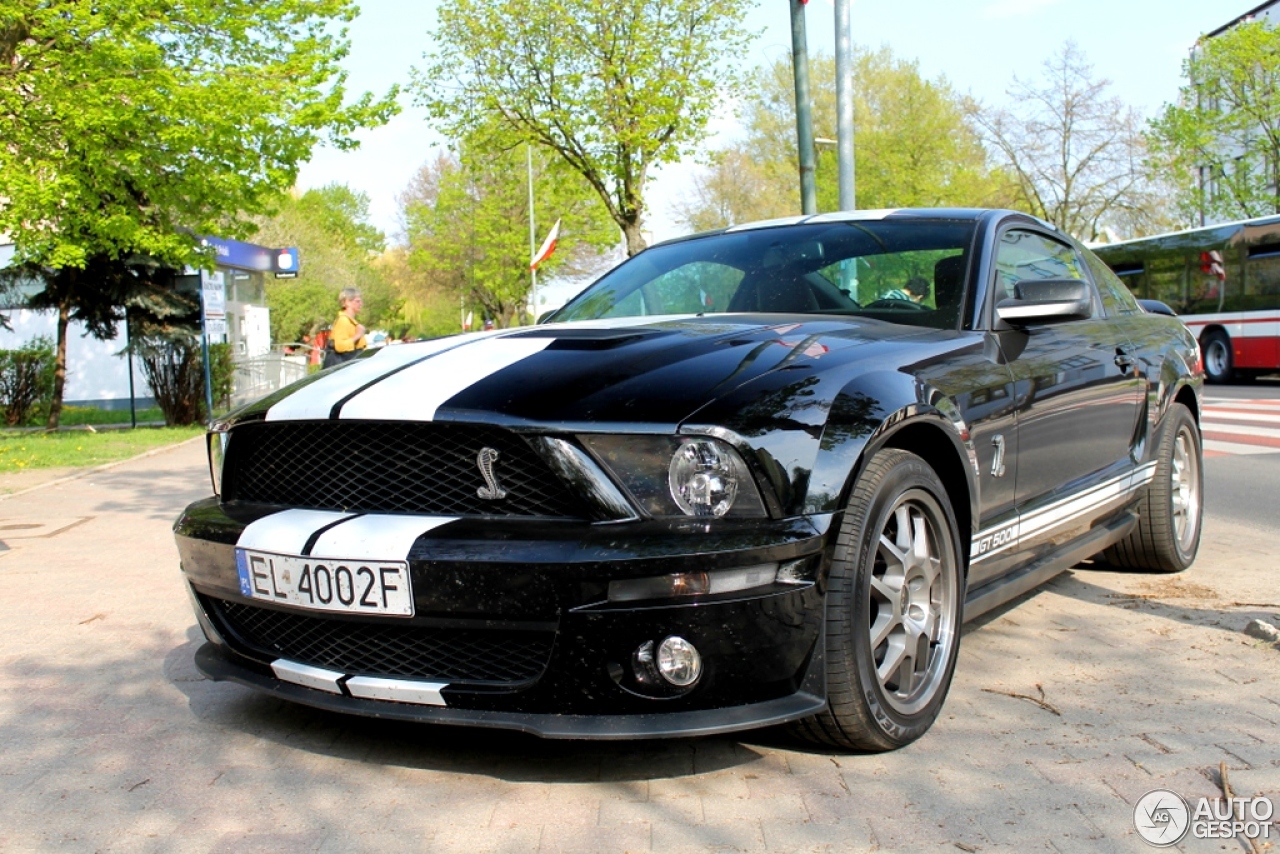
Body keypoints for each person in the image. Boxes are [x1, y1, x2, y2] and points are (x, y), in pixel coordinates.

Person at [323, 288, 367, 368]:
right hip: (341, 369)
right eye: (357, 301)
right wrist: (358, 335)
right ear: (347, 302)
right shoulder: (343, 321)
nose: (361, 304)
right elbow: (340, 346)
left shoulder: (350, 321)